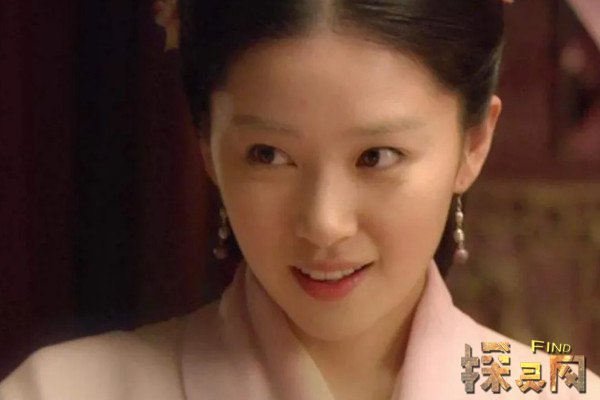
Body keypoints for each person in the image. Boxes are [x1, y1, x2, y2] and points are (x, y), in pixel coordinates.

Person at [1, 0, 599, 399]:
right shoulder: (61, 390)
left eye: (377, 156)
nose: (324, 223)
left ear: (473, 144)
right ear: (207, 145)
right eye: (268, 155)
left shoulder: (556, 388)